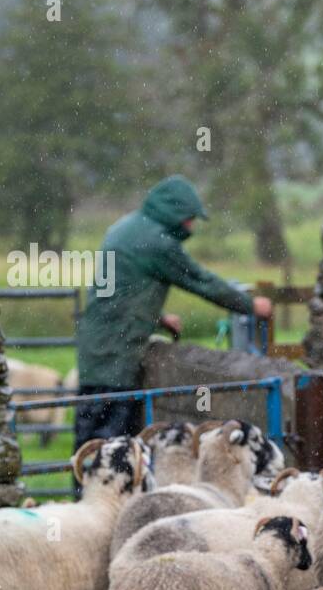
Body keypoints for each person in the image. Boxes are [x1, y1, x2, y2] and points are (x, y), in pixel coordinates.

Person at [73, 174, 273, 446]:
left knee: (90, 434)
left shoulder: (125, 228)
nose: (191, 226)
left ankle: (85, 487)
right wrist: (249, 305)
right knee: (111, 442)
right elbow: (201, 280)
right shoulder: (157, 243)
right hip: (116, 355)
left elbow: (117, 294)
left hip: (97, 346)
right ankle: (104, 485)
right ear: (174, 212)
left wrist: (157, 318)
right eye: (190, 218)